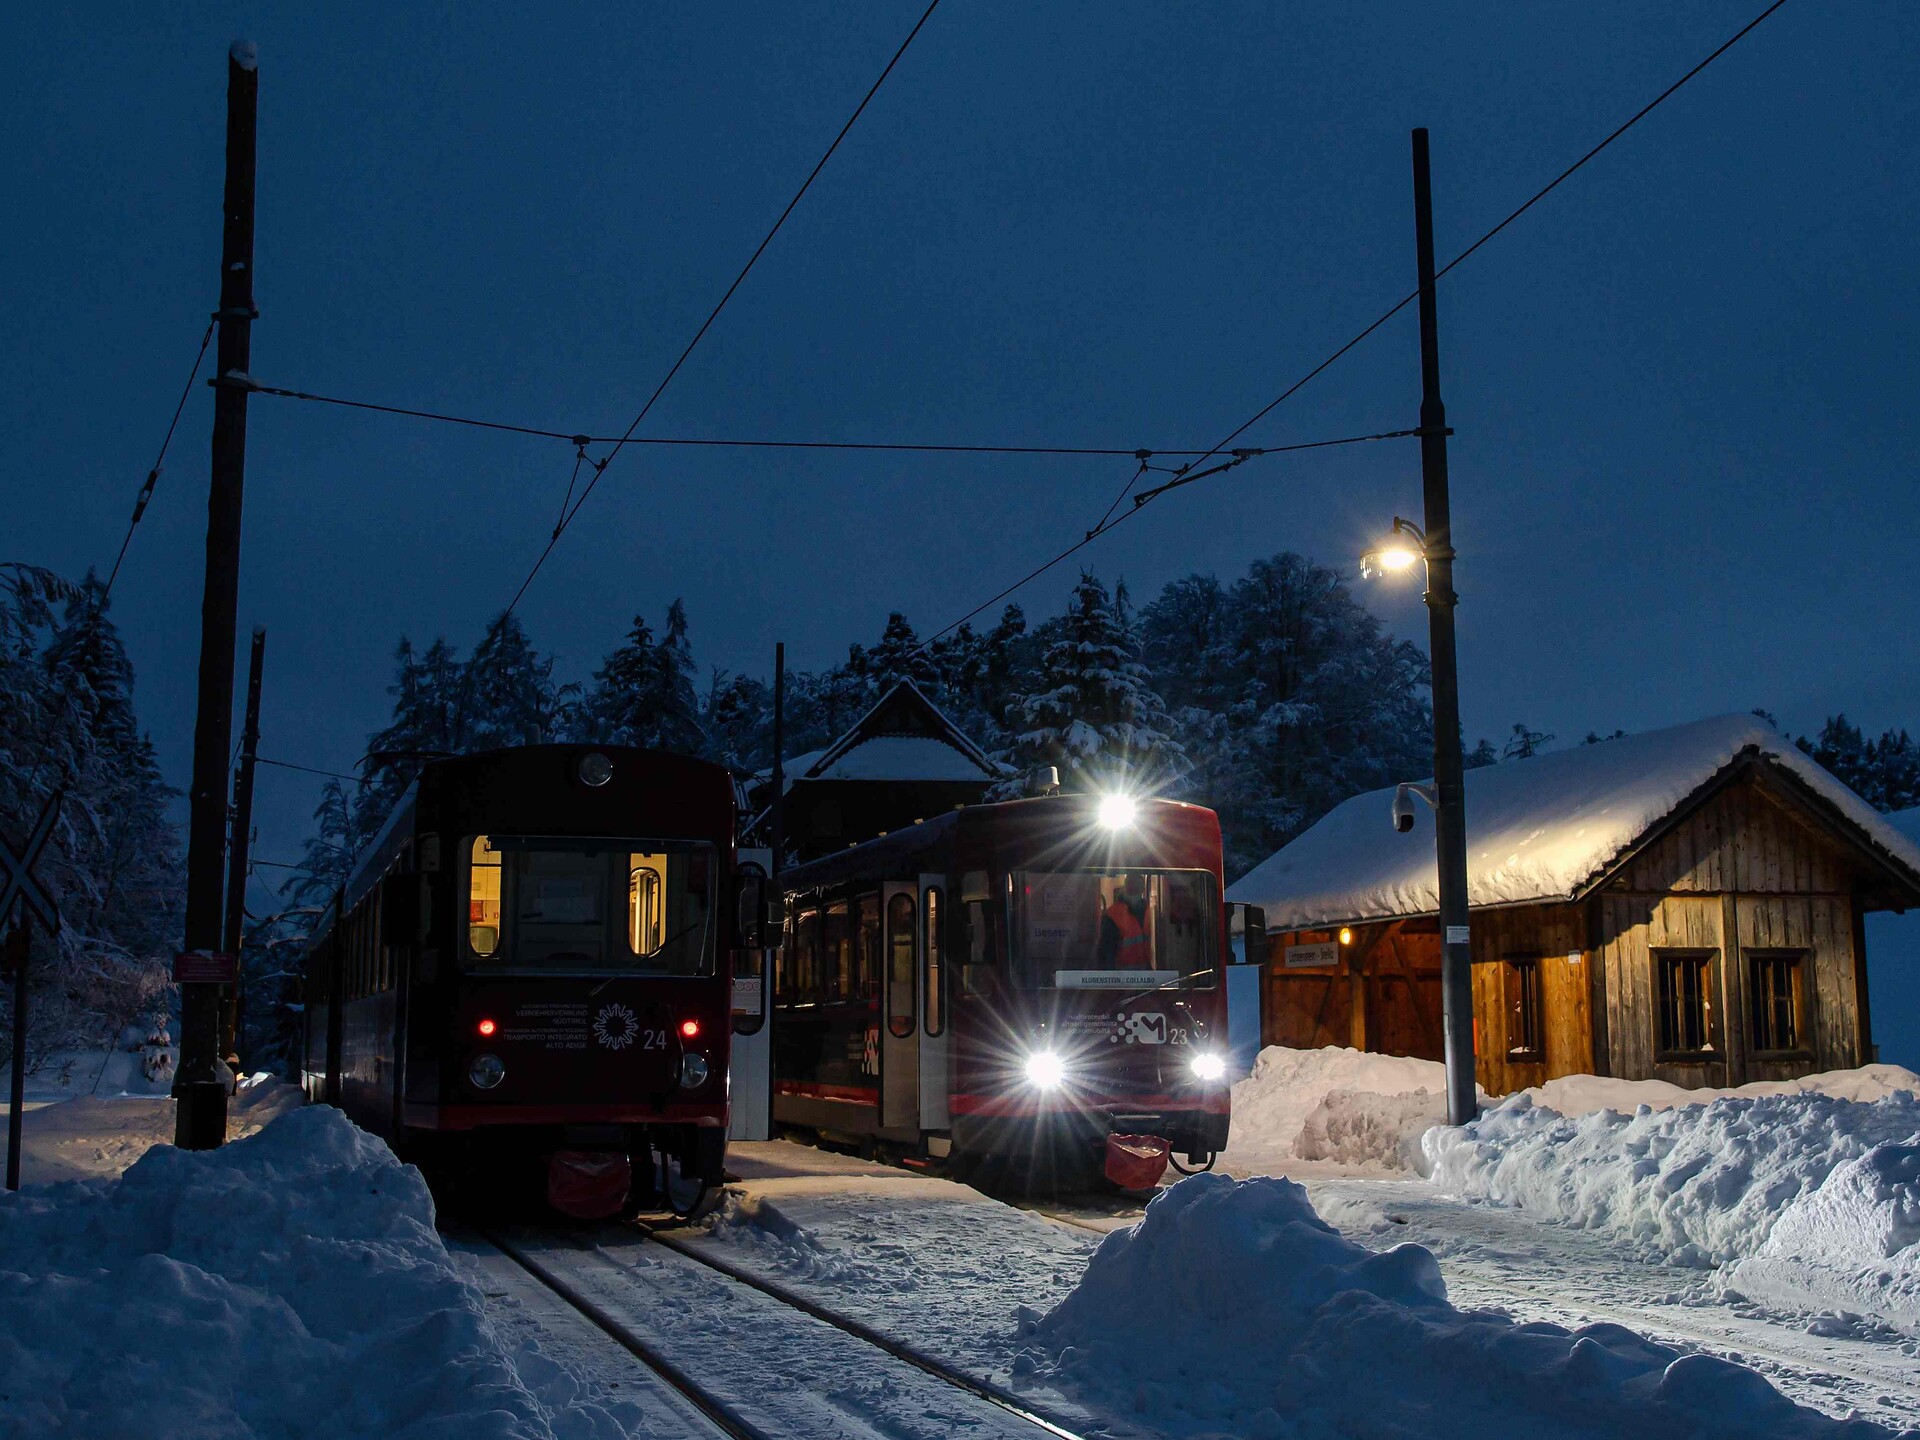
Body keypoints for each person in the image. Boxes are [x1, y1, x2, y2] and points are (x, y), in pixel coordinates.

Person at [1096, 873, 1153, 968]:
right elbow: (1106, 955)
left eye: (1137, 888)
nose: (1134, 891)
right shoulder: (1111, 915)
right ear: (1125, 888)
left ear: (1143, 889)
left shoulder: (1147, 911)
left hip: (1144, 978)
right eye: (1132, 888)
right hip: (1121, 978)